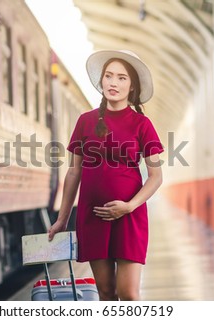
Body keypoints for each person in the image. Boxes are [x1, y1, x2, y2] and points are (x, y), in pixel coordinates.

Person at [48, 50, 164, 301]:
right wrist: (62, 219)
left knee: (129, 294)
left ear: (132, 87)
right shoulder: (85, 121)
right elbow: (73, 172)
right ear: (101, 82)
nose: (114, 82)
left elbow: (156, 176)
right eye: (109, 76)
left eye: (122, 78)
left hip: (129, 216)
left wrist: (129, 206)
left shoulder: (141, 124)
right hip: (93, 216)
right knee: (106, 293)